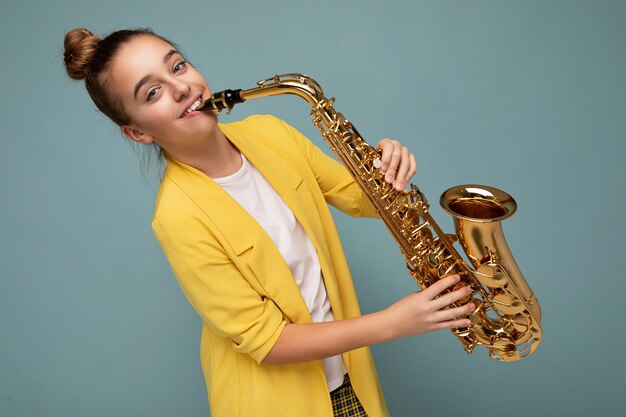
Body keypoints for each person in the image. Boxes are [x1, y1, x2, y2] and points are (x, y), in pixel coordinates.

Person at [63, 27, 475, 417]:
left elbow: (363, 199)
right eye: (153, 93)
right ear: (137, 133)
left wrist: (385, 167)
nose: (182, 88)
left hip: (353, 382)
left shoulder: (269, 131)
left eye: (178, 66)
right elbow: (269, 341)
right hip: (274, 403)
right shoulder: (176, 217)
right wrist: (393, 323)